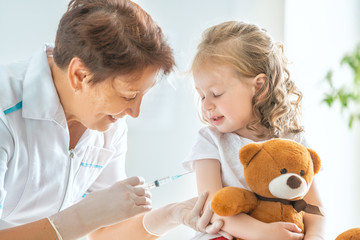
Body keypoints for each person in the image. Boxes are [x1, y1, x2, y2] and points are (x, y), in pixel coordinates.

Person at [0, 0, 227, 239]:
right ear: (79, 75)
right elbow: (88, 221)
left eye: (142, 95)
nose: (134, 111)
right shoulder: (5, 111)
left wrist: (173, 214)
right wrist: (83, 216)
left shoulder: (108, 124)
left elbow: (104, 233)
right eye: (128, 95)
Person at [183, 21, 326, 240]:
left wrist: (314, 237)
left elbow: (314, 208)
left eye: (216, 93)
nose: (206, 105)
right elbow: (212, 208)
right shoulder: (210, 141)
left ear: (258, 86)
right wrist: (262, 233)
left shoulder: (293, 138)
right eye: (201, 95)